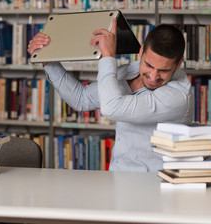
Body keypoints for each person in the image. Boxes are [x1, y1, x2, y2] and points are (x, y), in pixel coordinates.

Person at [27, 19, 193, 172]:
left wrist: (108, 57)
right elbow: (81, 99)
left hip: (157, 187)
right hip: (118, 180)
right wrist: (47, 58)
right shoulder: (130, 71)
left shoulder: (178, 96)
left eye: (164, 70)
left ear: (178, 64)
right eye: (149, 65)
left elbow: (112, 108)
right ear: (141, 51)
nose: (154, 76)